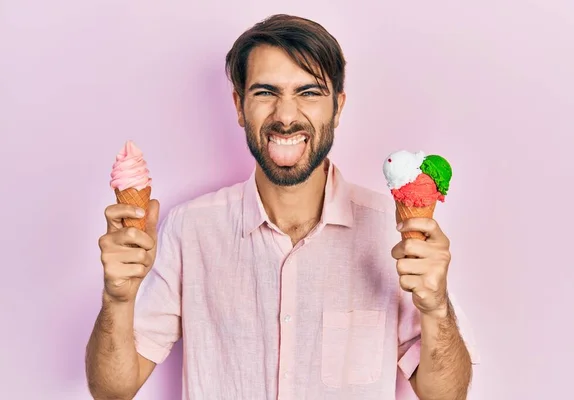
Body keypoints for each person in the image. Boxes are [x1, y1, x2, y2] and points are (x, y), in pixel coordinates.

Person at [85, 14, 478, 400]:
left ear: (337, 108)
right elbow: (113, 389)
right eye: (265, 92)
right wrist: (116, 300)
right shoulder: (190, 230)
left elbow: (445, 394)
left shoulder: (390, 233)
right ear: (239, 106)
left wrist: (436, 307)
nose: (286, 116)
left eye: (308, 93)